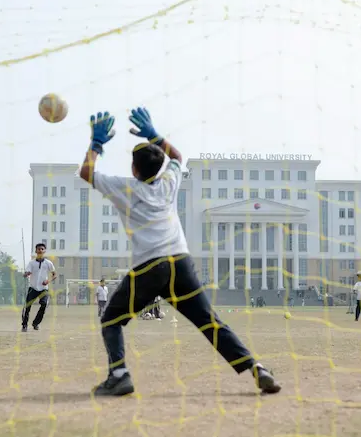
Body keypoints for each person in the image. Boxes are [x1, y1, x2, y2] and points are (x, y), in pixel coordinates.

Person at [78, 108, 282, 397]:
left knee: (111, 319)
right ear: (159, 168)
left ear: (134, 170)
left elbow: (86, 173)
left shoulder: (124, 188)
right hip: (181, 264)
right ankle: (256, 368)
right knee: (210, 322)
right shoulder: (169, 183)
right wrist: (154, 135)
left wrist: (96, 143)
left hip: (150, 267)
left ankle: (119, 375)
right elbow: (177, 157)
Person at [21, 243, 56, 332]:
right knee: (27, 307)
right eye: (38, 249)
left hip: (43, 289)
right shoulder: (31, 263)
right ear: (36, 251)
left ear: (44, 251)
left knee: (44, 304)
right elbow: (26, 273)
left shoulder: (48, 263)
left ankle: (36, 323)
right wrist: (26, 274)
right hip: (33, 288)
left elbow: (54, 275)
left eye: (42, 249)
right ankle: (24, 325)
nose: (40, 250)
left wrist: (48, 281)